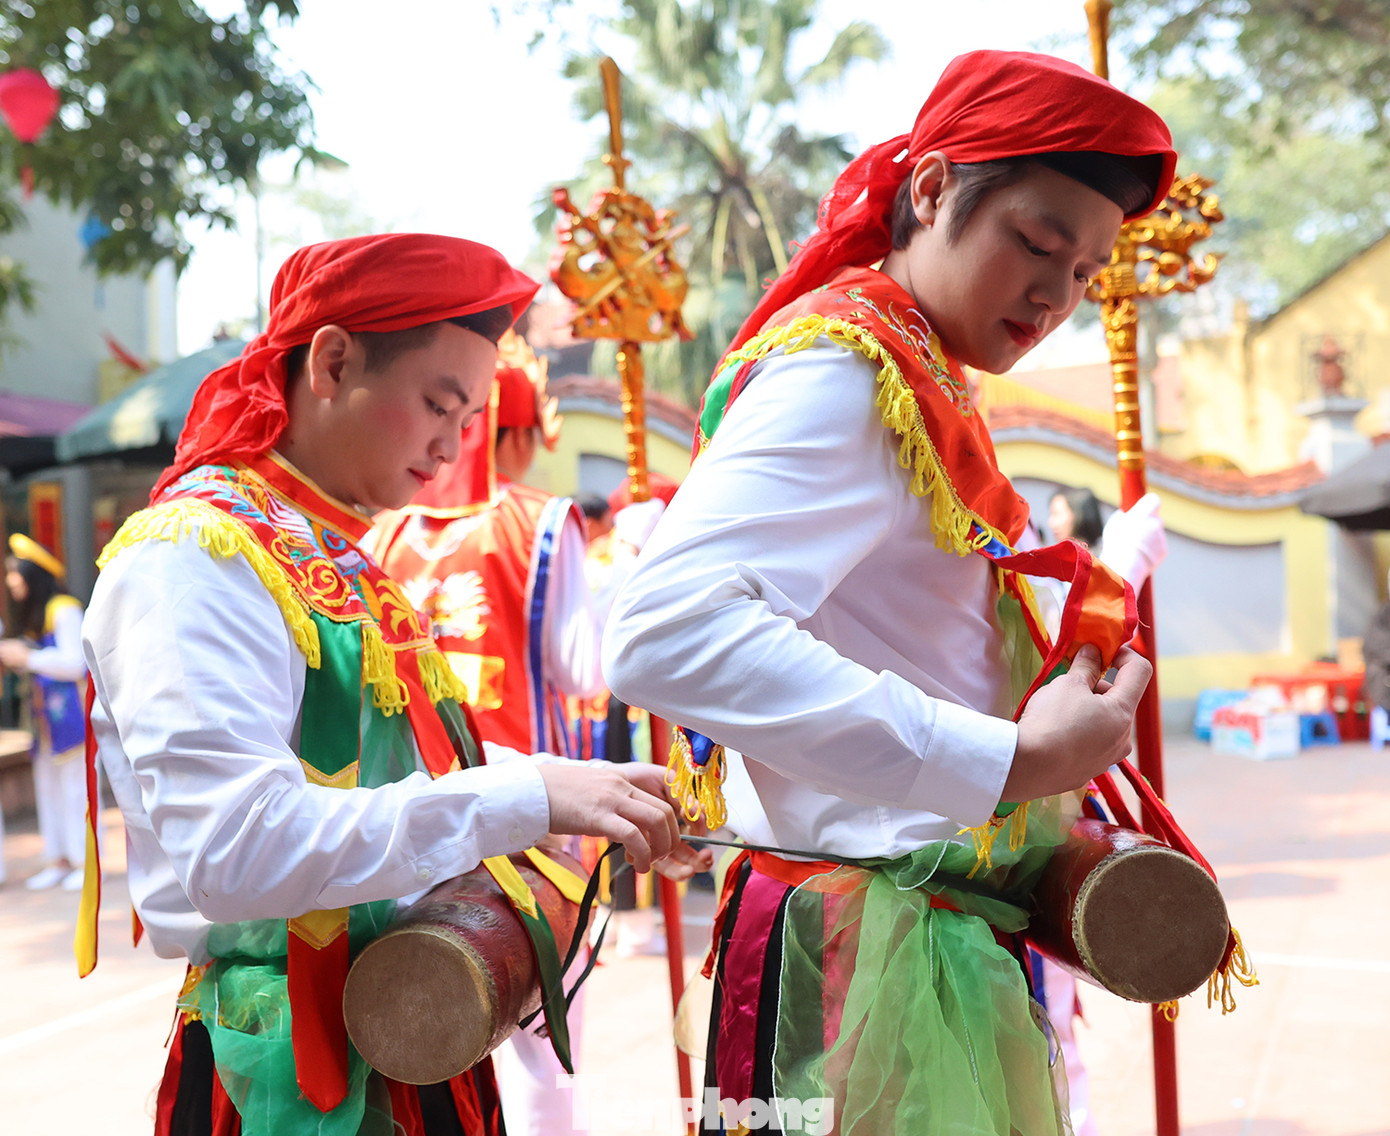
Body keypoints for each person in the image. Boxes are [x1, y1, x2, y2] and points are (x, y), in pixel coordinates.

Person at [603, 51, 1172, 1134]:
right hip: (865, 950)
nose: (1057, 292)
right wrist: (1008, 760)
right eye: (1037, 242)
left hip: (889, 927)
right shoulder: (849, 372)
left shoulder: (917, 372)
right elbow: (662, 631)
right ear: (929, 191)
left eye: (1088, 270)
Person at [79, 234, 700, 1136]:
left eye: (471, 417)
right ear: (331, 361)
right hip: (290, 1074)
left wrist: (582, 796)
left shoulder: (337, 554)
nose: (452, 447)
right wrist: (523, 794)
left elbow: (392, 778)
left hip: (415, 1020)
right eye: (437, 404)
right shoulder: (192, 555)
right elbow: (237, 852)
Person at [367, 337, 701, 1134]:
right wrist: (632, 559)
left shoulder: (380, 535)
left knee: (421, 1054)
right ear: (517, 433)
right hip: (532, 835)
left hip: (411, 822)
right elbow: (589, 669)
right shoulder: (539, 525)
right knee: (544, 1069)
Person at [0, 534, 88, 892]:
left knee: (74, 791)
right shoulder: (40, 616)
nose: (11, 581)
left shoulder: (64, 608)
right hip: (44, 723)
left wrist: (29, 657)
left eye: (16, 573)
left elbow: (76, 664)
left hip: (70, 720)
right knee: (48, 789)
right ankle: (59, 859)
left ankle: (84, 862)